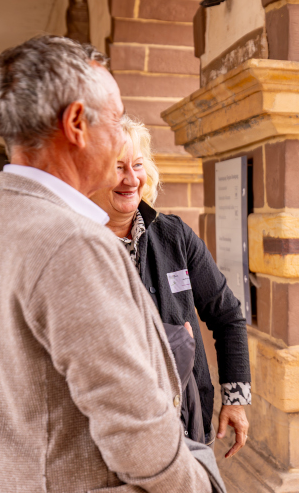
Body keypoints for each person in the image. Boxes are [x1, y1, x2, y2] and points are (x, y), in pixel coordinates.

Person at [0, 35, 221, 492]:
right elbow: (135, 429)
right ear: (77, 123)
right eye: (116, 120)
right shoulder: (72, 241)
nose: (120, 138)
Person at [91, 115, 251, 458]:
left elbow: (227, 315)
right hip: (113, 432)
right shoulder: (76, 245)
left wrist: (235, 399)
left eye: (137, 165)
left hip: (188, 422)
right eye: (117, 167)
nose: (130, 178)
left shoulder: (174, 235)